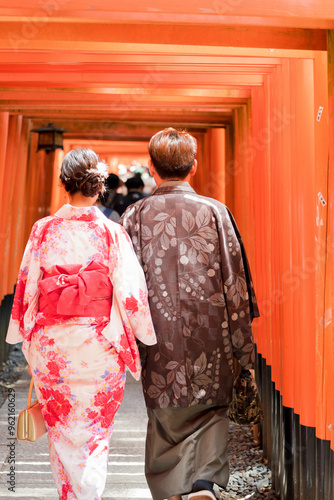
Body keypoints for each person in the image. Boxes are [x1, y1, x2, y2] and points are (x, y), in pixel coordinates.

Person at [6, 148, 156, 500]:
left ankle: (69, 494)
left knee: (59, 429)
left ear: (64, 184)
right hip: (99, 347)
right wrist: (144, 334)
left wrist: (21, 331)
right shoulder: (111, 233)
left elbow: (27, 286)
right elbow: (131, 293)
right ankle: (87, 494)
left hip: (53, 346)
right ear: (99, 187)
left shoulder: (43, 231)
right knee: (94, 430)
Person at [120, 128, 259, 500]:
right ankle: (204, 482)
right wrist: (243, 342)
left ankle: (173, 490)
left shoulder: (134, 216)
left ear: (151, 168)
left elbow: (125, 286)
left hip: (158, 337)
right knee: (212, 410)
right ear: (194, 167)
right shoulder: (215, 212)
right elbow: (235, 280)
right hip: (211, 334)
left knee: (165, 418)